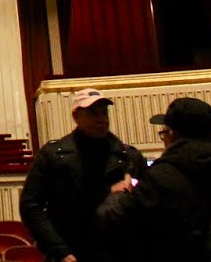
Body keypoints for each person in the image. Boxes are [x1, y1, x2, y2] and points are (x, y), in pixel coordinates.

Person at [98, 96, 211, 262]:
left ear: (172, 134)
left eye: (164, 132)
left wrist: (118, 195)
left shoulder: (161, 176)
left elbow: (121, 221)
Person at [20, 88, 146, 262]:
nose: (101, 119)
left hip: (117, 252)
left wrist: (130, 192)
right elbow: (30, 206)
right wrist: (60, 251)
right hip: (71, 250)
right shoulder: (53, 155)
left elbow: (147, 206)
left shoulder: (130, 157)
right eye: (93, 113)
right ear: (76, 116)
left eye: (104, 113)